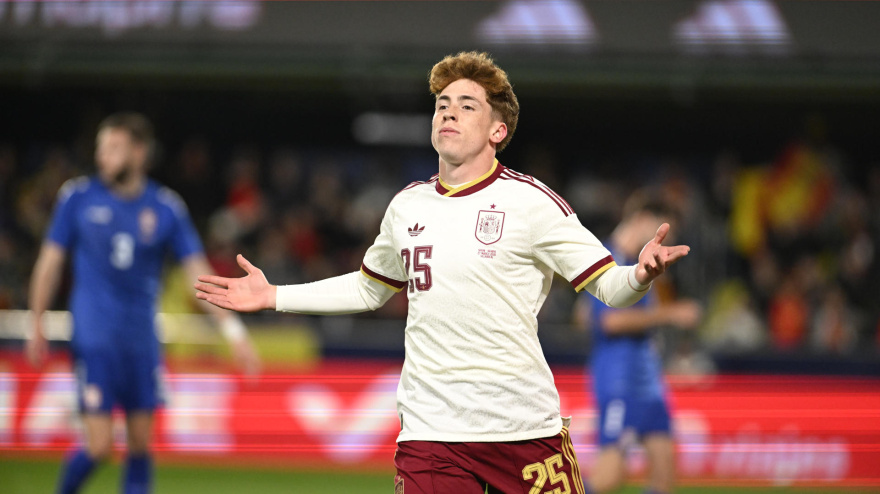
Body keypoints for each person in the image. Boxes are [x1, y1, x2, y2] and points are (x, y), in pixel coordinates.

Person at [195, 51, 690, 494]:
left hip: (523, 431)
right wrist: (274, 296)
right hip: (431, 435)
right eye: (442, 103)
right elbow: (368, 290)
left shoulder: (532, 203)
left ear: (498, 130)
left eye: (467, 105)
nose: (448, 110)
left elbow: (608, 287)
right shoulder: (407, 205)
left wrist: (640, 275)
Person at [25, 112, 260, 494]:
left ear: (138, 153)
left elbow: (197, 275)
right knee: (100, 444)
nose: (103, 157)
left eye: (114, 148)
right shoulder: (77, 197)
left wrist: (233, 331)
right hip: (95, 338)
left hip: (141, 342)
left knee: (140, 445)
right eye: (101, 148)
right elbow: (50, 263)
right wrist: (37, 322)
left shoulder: (166, 207)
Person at [573, 194, 702, 494]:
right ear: (643, 219)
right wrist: (672, 313)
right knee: (608, 477)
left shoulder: (636, 265)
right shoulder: (610, 257)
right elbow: (610, 322)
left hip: (648, 380)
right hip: (619, 379)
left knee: (664, 477)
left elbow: (582, 315)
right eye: (664, 232)